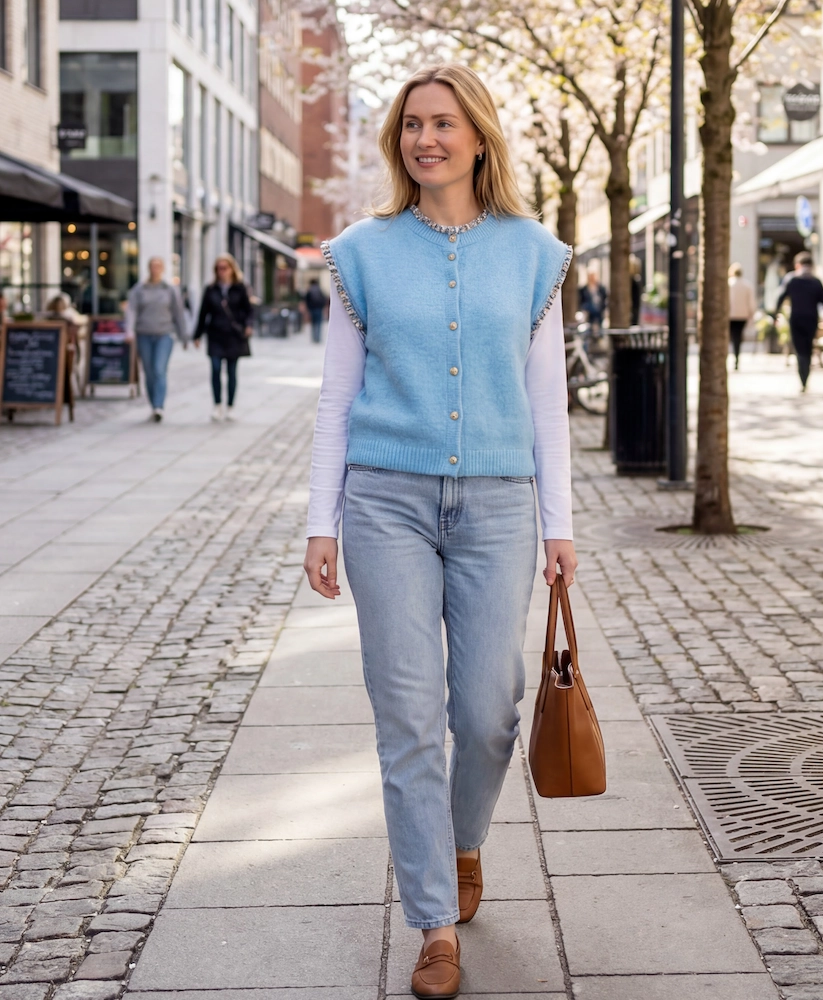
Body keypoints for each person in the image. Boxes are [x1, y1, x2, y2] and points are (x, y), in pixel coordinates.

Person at [302, 64, 576, 999]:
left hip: (499, 504)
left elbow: (547, 399)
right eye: (413, 124)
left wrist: (559, 524)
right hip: (386, 503)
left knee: (488, 713)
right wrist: (322, 521)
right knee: (409, 715)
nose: (426, 138)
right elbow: (336, 397)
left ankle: (462, 842)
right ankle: (433, 922)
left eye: (444, 123)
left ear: (479, 136)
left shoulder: (534, 253)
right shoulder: (361, 252)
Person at [125, 257, 188, 422]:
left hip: (164, 334)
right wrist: (129, 331)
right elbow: (131, 311)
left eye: (158, 266)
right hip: (144, 334)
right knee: (149, 371)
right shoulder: (139, 289)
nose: (155, 269)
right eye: (153, 266)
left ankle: (159, 406)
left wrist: (184, 336)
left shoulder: (169, 289)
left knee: (159, 369)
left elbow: (178, 313)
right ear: (149, 268)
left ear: (163, 269)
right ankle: (153, 404)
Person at [194, 254, 253, 422]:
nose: (222, 271)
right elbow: (203, 313)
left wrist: (248, 325)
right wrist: (197, 335)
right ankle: (217, 405)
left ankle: (230, 406)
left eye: (225, 268)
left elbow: (249, 310)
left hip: (234, 336)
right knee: (215, 369)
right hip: (215, 334)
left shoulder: (240, 288)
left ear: (232, 269)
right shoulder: (211, 289)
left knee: (232, 372)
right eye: (219, 268)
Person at [774, 252, 823, 392]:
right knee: (808, 348)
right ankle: (805, 377)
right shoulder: (816, 281)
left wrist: (775, 313)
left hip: (796, 318)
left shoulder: (791, 279)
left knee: (799, 349)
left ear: (797, 265)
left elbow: (780, 297)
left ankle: (802, 377)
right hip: (811, 318)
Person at [728, 263, 755, 370]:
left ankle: (735, 357)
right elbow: (751, 302)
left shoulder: (729, 284)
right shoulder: (747, 285)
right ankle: (736, 357)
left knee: (732, 336)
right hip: (743, 315)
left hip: (730, 315)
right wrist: (751, 313)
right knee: (737, 336)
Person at [578, 259, 607, 344]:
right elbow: (581, 301)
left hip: (599, 313)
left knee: (599, 332)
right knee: (588, 333)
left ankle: (598, 344)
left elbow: (604, 299)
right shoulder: (583, 289)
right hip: (589, 314)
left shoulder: (601, 288)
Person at [302, 278, 328, 343]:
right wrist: (322, 306)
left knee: (313, 324)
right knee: (319, 324)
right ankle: (318, 338)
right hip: (319, 309)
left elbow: (306, 300)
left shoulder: (309, 290)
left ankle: (314, 338)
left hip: (312, 309)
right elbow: (324, 299)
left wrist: (308, 309)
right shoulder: (319, 290)